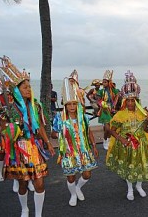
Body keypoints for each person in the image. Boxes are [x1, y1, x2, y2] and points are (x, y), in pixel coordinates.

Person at [0, 56, 55, 217]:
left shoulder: (36, 105)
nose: (29, 90)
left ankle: (38, 214)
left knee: (40, 183)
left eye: (29, 87)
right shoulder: (9, 108)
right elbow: (2, 128)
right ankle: (24, 208)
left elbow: (41, 126)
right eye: (25, 88)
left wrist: (48, 143)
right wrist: (5, 125)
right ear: (17, 90)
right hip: (18, 148)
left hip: (35, 147)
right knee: (22, 184)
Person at [106, 70, 148, 201]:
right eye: (129, 101)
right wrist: (121, 138)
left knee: (140, 165)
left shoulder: (143, 113)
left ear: (137, 100)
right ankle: (130, 189)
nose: (131, 103)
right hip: (126, 145)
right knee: (129, 166)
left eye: (133, 101)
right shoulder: (120, 114)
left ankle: (139, 186)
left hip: (140, 145)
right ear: (125, 101)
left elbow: (147, 130)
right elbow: (112, 130)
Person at [51, 77, 98, 207]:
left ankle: (78, 188)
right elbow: (53, 134)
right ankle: (73, 194)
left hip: (83, 150)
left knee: (87, 174)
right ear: (65, 105)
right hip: (68, 152)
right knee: (71, 177)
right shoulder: (59, 118)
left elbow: (89, 132)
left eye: (74, 104)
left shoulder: (83, 117)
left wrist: (93, 146)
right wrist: (59, 133)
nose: (72, 107)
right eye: (69, 104)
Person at [0, 78, 34, 192]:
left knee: (28, 158)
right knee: (4, 153)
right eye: (3, 95)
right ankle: (7, 176)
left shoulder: (19, 105)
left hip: (23, 136)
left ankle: (29, 180)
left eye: (8, 94)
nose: (6, 96)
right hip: (4, 134)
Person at [97, 70, 119, 150]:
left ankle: (108, 139)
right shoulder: (101, 91)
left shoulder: (114, 91)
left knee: (111, 128)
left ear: (109, 82)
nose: (103, 83)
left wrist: (114, 105)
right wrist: (103, 104)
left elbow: (118, 95)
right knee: (107, 128)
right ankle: (105, 139)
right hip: (104, 111)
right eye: (103, 82)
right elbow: (98, 100)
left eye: (105, 82)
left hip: (112, 111)